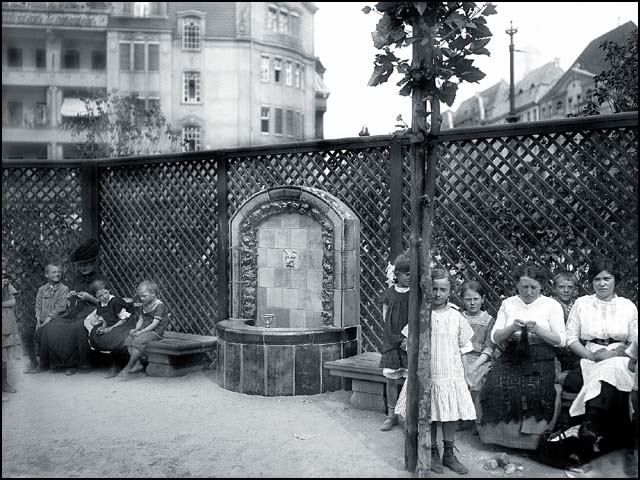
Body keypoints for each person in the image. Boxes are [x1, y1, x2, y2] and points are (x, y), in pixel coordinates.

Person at [479, 262, 566, 450]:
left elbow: (561, 340)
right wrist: (511, 328)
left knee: (536, 389)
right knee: (495, 384)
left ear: (541, 285)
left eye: (533, 287)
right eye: (524, 286)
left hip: (542, 356)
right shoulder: (508, 304)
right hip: (512, 354)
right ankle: (500, 439)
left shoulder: (552, 305)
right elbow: (495, 336)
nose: (528, 291)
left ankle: (531, 443)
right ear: (517, 285)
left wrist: (539, 331)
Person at [564, 258, 637, 454]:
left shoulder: (627, 306)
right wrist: (590, 355)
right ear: (591, 282)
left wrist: (613, 354)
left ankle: (592, 422)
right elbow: (570, 338)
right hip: (589, 354)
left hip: (621, 355)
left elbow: (634, 341)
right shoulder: (582, 304)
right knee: (603, 370)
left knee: (611, 368)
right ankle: (605, 432)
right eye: (597, 279)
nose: (602, 284)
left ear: (615, 280)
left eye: (607, 278)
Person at [37, 239, 105, 375]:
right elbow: (71, 300)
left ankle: (77, 364)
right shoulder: (77, 279)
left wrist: (90, 298)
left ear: (92, 264)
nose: (83, 268)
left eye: (86, 265)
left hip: (94, 313)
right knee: (53, 325)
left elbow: (107, 302)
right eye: (81, 266)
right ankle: (58, 364)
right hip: (76, 311)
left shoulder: (99, 280)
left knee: (77, 327)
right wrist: (71, 296)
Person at [376, 253, 410, 431]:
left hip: (408, 342)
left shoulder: (415, 295)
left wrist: (407, 338)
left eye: (413, 274)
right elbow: (385, 317)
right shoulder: (389, 294)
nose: (409, 277)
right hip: (391, 341)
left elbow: (417, 319)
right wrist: (393, 337)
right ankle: (391, 414)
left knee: (407, 379)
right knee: (390, 378)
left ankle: (404, 412)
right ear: (397, 274)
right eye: (406, 274)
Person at [460, 280, 498, 435]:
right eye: (468, 299)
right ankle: (460, 417)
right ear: (462, 300)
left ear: (482, 299)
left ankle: (476, 419)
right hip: (460, 357)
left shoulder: (489, 320)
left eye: (476, 299)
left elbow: (489, 346)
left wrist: (475, 364)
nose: (472, 303)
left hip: (480, 359)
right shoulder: (458, 318)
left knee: (476, 380)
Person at [117, 281, 168, 379]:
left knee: (137, 341)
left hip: (155, 332)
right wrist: (136, 329)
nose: (142, 298)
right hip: (145, 330)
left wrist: (141, 332)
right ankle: (138, 363)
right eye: (140, 296)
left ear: (153, 293)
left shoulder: (159, 306)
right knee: (128, 340)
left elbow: (154, 324)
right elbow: (141, 319)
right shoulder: (144, 305)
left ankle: (129, 366)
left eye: (144, 296)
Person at [87, 279, 136, 379]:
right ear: (96, 297)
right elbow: (105, 319)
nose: (104, 296)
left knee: (113, 336)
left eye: (106, 293)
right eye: (100, 295)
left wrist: (110, 329)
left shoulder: (115, 302)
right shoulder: (99, 304)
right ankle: (110, 364)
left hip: (125, 324)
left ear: (109, 291)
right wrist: (103, 327)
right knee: (96, 334)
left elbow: (124, 319)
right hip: (111, 324)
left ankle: (116, 366)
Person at [32, 263, 69, 373]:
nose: (57, 274)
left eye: (59, 272)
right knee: (27, 331)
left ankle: (44, 364)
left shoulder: (64, 289)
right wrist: (38, 321)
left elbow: (60, 308)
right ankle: (33, 361)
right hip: (43, 319)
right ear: (46, 275)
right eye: (54, 272)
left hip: (58, 320)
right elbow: (38, 306)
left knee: (46, 330)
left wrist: (44, 323)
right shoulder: (42, 289)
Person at [552, 270, 581, 375]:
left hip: (575, 351)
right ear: (554, 289)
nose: (566, 290)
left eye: (570, 287)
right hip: (555, 352)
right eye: (561, 287)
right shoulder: (550, 306)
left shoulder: (579, 306)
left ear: (575, 289)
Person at [2, 256, 20, 401]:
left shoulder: (6, 286)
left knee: (4, 356)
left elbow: (13, 301)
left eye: (3, 272)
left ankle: (5, 383)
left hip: (6, 323)